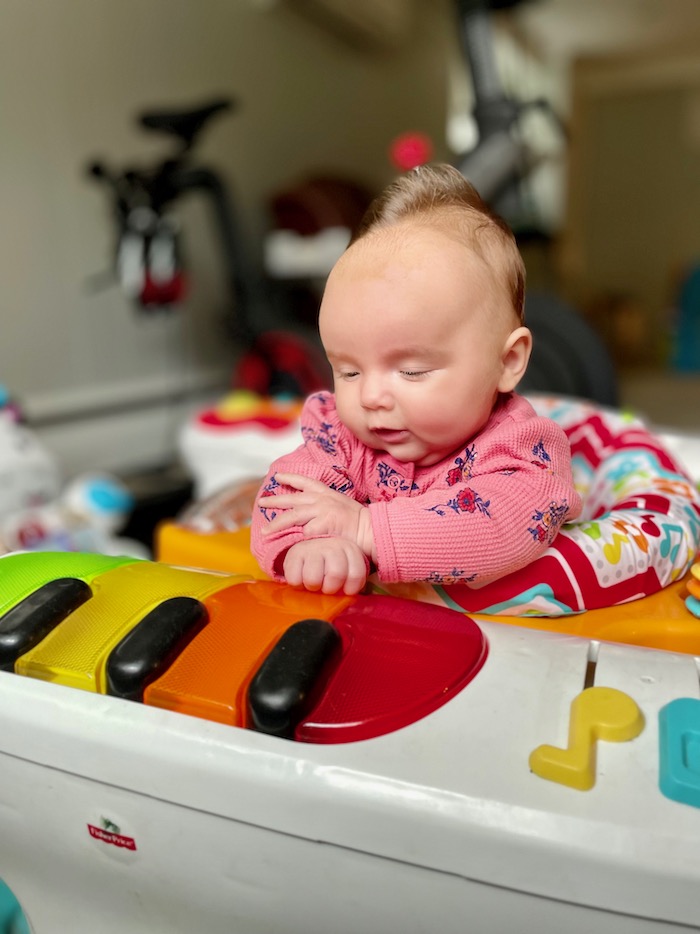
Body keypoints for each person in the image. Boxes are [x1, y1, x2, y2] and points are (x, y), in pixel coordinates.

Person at [250, 163, 582, 595]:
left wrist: (365, 528)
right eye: (348, 371)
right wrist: (308, 547)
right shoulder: (342, 436)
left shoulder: (521, 447)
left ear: (508, 362)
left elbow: (505, 524)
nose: (369, 396)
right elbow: (285, 496)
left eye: (411, 371)